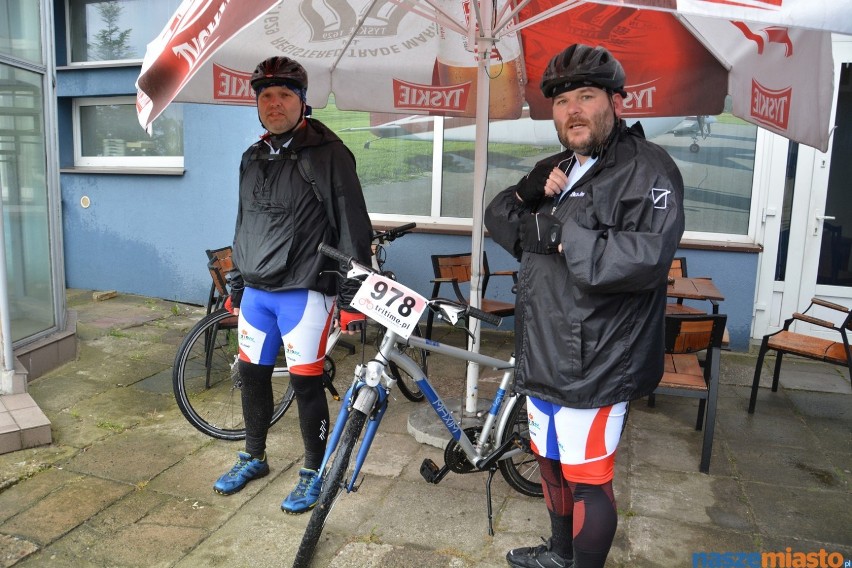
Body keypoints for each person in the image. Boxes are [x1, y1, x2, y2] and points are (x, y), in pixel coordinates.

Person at [484, 44, 685, 568]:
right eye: (561, 101)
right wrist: (528, 194)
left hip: (596, 359)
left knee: (589, 479)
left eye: (586, 96)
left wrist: (559, 236)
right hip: (541, 352)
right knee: (548, 462)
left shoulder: (648, 168)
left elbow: (644, 257)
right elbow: (500, 220)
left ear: (616, 101)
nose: (572, 110)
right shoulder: (557, 167)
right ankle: (559, 552)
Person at [212, 56, 372, 515]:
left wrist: (350, 297)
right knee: (252, 377)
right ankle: (254, 456)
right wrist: (237, 281)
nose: (274, 104)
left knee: (306, 387)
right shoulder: (253, 156)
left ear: (303, 101)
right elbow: (245, 223)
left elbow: (352, 228)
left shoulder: (329, 153)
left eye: (284, 95)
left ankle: (312, 470)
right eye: (265, 96)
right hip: (259, 294)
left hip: (305, 291)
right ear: (257, 104)